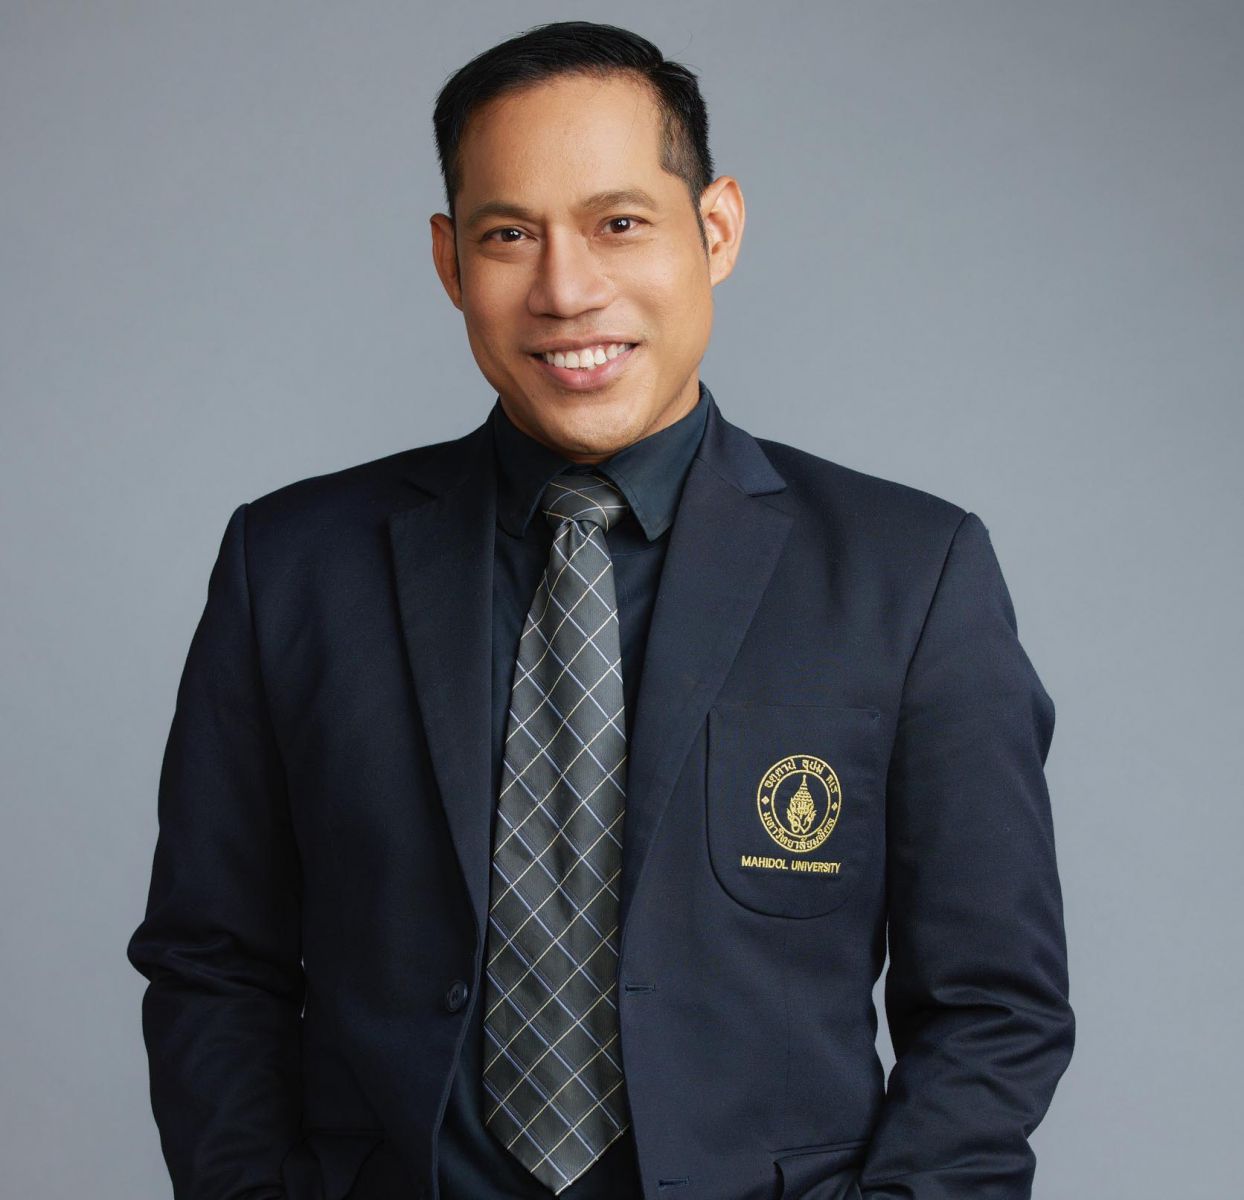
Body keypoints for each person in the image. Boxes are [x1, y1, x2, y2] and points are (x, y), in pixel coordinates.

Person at [127, 19, 1074, 1200]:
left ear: (714, 228)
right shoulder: (292, 566)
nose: (565, 291)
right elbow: (214, 962)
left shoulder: (908, 574)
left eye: (618, 223)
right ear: (449, 261)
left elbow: (992, 1006)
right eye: (508, 235)